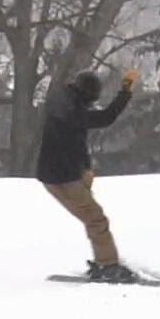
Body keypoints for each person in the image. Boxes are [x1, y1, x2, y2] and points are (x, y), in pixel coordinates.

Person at [36, 67, 139, 283]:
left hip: (55, 175)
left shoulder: (62, 102)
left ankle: (103, 260)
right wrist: (126, 91)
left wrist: (85, 168)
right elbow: (107, 117)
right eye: (92, 100)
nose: (92, 104)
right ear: (87, 96)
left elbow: (74, 143)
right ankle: (108, 266)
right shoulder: (71, 112)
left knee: (91, 218)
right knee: (96, 220)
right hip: (64, 178)